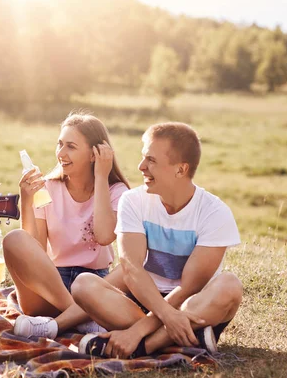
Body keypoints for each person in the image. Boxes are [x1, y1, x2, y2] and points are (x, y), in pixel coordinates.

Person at [72, 122, 243, 359]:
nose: (141, 167)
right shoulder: (133, 201)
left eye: (151, 160)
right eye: (144, 158)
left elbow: (189, 287)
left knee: (230, 285)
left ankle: (144, 346)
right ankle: (188, 337)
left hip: (194, 306)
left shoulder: (214, 212)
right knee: (83, 285)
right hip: (144, 302)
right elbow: (131, 269)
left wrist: (136, 332)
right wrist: (165, 315)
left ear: (181, 170)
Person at [3, 113, 130, 339]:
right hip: (51, 286)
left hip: (93, 286)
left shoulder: (117, 192)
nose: (61, 154)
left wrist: (101, 177)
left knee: (133, 266)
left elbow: (103, 236)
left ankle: (62, 321)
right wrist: (27, 201)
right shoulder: (49, 187)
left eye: (71, 146)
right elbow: (35, 249)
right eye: (60, 144)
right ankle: (80, 318)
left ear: (95, 154)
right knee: (14, 238)